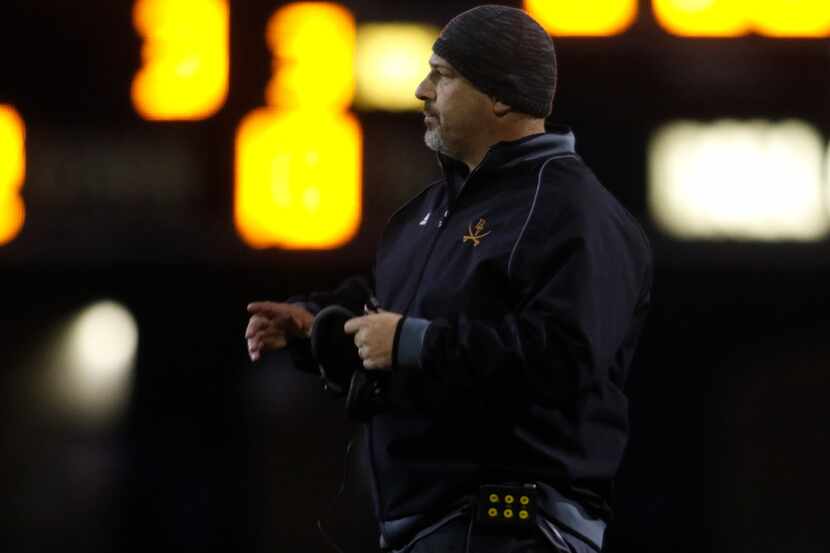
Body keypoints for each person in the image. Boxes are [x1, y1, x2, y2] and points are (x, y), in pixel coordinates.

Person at [245, 5, 652, 553]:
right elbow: (391, 320)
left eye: (444, 75)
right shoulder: (429, 213)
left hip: (514, 529)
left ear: (500, 96)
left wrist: (411, 342)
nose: (421, 90)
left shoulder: (571, 208)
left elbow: (566, 357)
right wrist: (316, 326)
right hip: (432, 530)